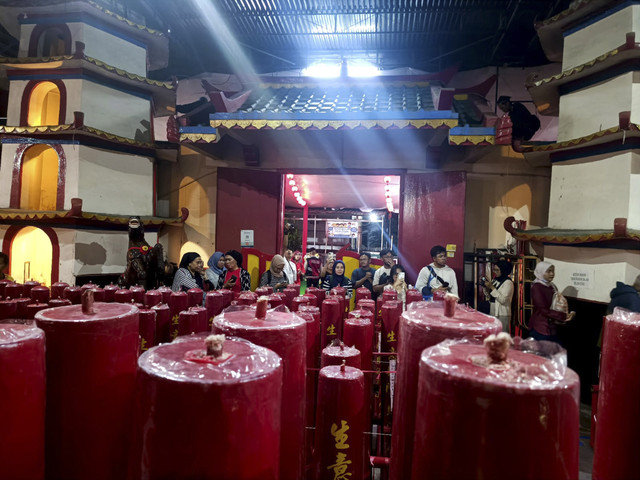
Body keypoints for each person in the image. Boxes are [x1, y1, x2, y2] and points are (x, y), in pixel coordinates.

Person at [529, 261, 575, 342]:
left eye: (553, 271)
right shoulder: (537, 287)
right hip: (541, 326)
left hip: (551, 326)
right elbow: (542, 309)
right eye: (548, 271)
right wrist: (563, 316)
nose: (552, 274)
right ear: (541, 272)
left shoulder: (551, 285)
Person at [483, 260, 514, 332]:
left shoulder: (508, 283)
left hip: (502, 314)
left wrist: (492, 288)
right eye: (494, 270)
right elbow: (489, 296)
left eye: (497, 270)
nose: (495, 272)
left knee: (501, 335)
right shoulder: (495, 280)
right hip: (493, 312)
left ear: (503, 270)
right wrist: (485, 287)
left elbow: (503, 300)